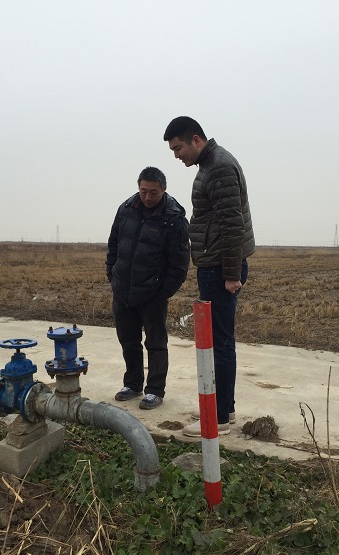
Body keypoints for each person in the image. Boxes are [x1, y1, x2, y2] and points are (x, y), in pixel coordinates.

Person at [163, 116, 255, 436]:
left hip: (219, 268)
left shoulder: (218, 167)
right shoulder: (210, 164)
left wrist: (231, 274)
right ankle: (222, 409)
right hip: (214, 265)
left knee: (219, 343)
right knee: (217, 341)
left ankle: (219, 418)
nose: (177, 156)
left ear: (196, 140)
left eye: (178, 148)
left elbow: (232, 224)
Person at [106, 166, 190, 410]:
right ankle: (132, 384)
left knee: (155, 344)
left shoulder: (173, 218)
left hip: (152, 295)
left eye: (153, 192)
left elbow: (180, 263)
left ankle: (155, 390)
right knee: (128, 340)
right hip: (123, 290)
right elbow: (113, 244)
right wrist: (113, 275)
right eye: (143, 191)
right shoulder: (126, 209)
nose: (147, 197)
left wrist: (163, 293)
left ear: (164, 189)